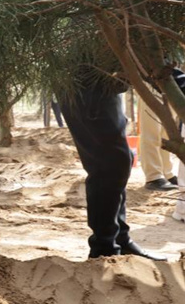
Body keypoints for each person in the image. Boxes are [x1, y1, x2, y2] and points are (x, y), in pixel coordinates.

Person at [58, 72, 165, 261]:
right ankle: (104, 249)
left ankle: (119, 240)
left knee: (117, 163)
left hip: (106, 86)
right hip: (86, 83)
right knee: (110, 165)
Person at [137, 95, 177, 191]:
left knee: (167, 134)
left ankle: (167, 173)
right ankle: (153, 177)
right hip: (149, 85)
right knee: (151, 132)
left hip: (173, 85)